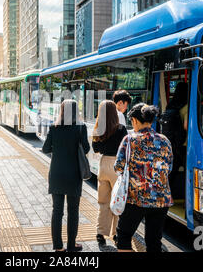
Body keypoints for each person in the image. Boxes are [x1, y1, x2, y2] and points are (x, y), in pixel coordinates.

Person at [114, 103, 173, 253]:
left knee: (124, 236)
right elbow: (169, 168)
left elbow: (118, 167)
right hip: (161, 199)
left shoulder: (129, 140)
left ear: (134, 120)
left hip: (136, 198)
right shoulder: (165, 140)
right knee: (154, 241)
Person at [42, 100, 90, 252]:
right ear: (76, 112)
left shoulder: (54, 128)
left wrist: (58, 149)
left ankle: (58, 247)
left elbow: (45, 149)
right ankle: (71, 245)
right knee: (73, 211)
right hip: (74, 174)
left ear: (61, 111)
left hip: (56, 173)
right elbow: (87, 148)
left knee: (57, 210)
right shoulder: (81, 128)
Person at [92, 100, 127, 247]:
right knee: (118, 200)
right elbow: (125, 149)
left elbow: (95, 148)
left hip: (103, 164)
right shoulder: (121, 128)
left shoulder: (98, 129)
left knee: (103, 201)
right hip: (117, 166)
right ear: (115, 112)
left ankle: (100, 233)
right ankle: (116, 234)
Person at [160, 82, 188, 199]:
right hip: (184, 144)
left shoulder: (171, 106)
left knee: (172, 171)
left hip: (173, 143)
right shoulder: (187, 107)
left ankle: (165, 195)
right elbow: (186, 126)